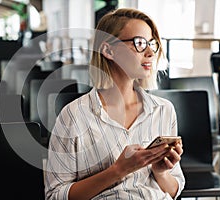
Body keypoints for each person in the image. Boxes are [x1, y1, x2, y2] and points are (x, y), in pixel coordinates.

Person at [45, 8, 185, 200]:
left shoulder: (164, 110)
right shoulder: (74, 115)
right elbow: (55, 196)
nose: (151, 52)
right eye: (139, 43)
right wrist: (118, 170)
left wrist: (160, 172)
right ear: (108, 50)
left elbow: (174, 191)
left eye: (152, 44)